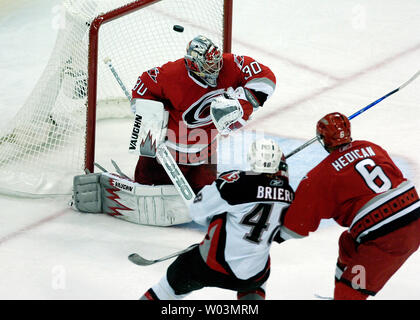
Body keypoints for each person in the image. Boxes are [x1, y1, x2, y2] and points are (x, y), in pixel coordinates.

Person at [71, 35, 276, 226]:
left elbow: (266, 77)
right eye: (209, 64)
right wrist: (151, 117)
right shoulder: (171, 75)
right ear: (194, 64)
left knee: (206, 196)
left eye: (217, 62)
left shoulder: (231, 65)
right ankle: (107, 185)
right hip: (166, 156)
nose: (216, 68)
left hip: (205, 154)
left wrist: (242, 103)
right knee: (147, 190)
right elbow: (143, 86)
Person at [275, 112, 420, 300]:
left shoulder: (318, 176)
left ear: (322, 139)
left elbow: (294, 229)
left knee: (349, 291)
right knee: (348, 243)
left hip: (388, 235)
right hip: (413, 214)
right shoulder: (371, 147)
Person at [140, 139, 294, 300]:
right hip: (252, 275)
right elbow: (284, 233)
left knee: (175, 279)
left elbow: (197, 211)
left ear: (252, 158)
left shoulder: (235, 183)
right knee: (258, 277)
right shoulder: (289, 194)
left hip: (212, 267)